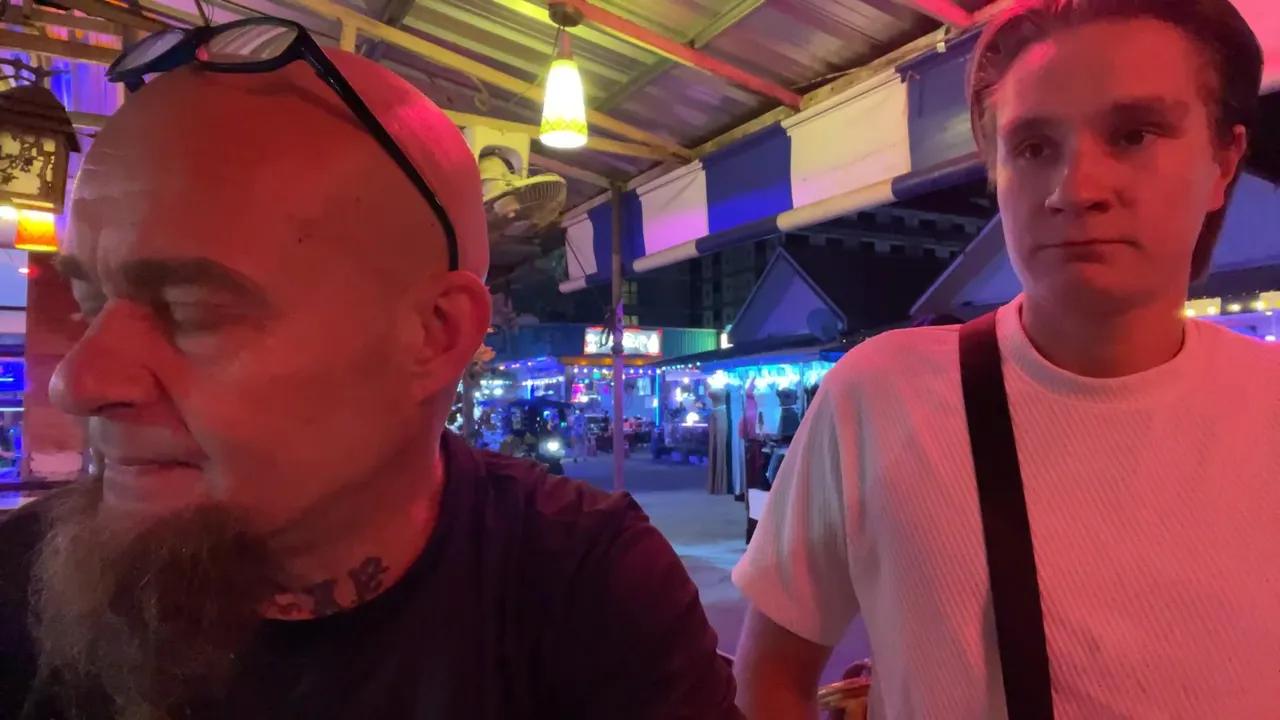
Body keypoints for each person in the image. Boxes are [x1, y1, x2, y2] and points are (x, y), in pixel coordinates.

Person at [0, 23, 740, 720]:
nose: (78, 382)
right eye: (91, 304)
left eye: (192, 310)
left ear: (433, 337)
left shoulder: (582, 590)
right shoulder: (22, 589)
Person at [732, 1, 1279, 718]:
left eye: (1134, 134)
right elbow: (772, 672)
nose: (1076, 189)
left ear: (1222, 162)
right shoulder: (881, 394)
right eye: (1032, 147)